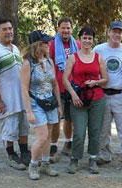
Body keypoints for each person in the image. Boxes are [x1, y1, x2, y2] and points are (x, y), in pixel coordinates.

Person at [62, 26, 108, 175]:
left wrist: (95, 82)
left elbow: (106, 79)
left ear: (93, 40)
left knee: (95, 131)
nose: (87, 40)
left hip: (97, 100)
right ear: (80, 39)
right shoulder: (73, 57)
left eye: (90, 38)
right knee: (79, 132)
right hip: (78, 100)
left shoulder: (99, 57)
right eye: (84, 38)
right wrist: (73, 96)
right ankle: (75, 158)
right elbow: (65, 79)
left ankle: (93, 158)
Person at [0, 18, 30, 171]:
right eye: (4, 29)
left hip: (20, 99)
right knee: (10, 130)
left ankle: (25, 152)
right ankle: (11, 155)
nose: (8, 32)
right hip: (7, 101)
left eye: (10, 28)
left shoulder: (15, 49)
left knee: (24, 127)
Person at [94, 21, 122, 171]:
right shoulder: (98, 49)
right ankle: (105, 154)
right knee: (103, 128)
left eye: (120, 32)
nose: (116, 35)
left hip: (121, 94)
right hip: (102, 93)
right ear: (108, 32)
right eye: (114, 31)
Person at [20, 30, 62, 180]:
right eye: (45, 42)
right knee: (42, 136)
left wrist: (58, 105)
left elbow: (55, 84)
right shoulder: (27, 63)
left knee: (48, 136)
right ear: (37, 44)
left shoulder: (49, 61)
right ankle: (33, 165)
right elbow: (24, 89)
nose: (48, 44)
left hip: (50, 102)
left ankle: (45, 164)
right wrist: (29, 111)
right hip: (35, 104)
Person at [49, 17, 81, 159]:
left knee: (70, 118)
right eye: (63, 28)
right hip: (57, 88)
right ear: (58, 29)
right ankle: (53, 146)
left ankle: (68, 143)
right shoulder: (51, 45)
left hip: (73, 88)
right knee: (56, 118)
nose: (66, 30)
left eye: (68, 28)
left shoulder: (78, 45)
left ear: (71, 30)